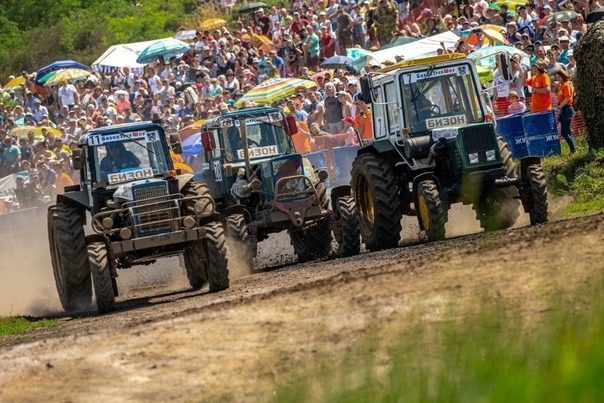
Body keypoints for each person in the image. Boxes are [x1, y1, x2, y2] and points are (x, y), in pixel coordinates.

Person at [555, 69, 576, 153]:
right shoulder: (561, 85)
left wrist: (560, 107)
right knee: (567, 131)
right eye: (556, 77)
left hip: (567, 109)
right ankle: (573, 149)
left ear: (563, 76)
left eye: (559, 76)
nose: (557, 78)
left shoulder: (566, 85)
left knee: (564, 132)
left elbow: (567, 98)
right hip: (564, 109)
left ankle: (573, 149)